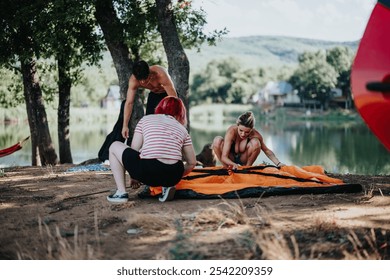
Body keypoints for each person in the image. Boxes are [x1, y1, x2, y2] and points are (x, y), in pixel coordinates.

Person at [107, 96, 197, 203]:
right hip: (174, 174)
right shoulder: (183, 130)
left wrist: (134, 176)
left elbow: (134, 150)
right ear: (180, 113)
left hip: (148, 170)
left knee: (114, 145)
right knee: (172, 163)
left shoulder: (146, 119)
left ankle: (121, 193)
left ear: (159, 108)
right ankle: (167, 185)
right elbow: (192, 163)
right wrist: (173, 175)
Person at [98, 60, 177, 162]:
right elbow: (129, 103)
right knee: (149, 124)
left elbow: (173, 98)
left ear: (150, 73)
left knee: (167, 124)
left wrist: (174, 118)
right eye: (141, 81)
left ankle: (169, 154)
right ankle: (149, 154)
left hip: (167, 95)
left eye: (145, 79)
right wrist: (125, 125)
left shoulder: (160, 74)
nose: (143, 83)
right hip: (153, 96)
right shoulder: (134, 80)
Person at [212, 111, 285, 169]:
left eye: (247, 132)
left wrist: (278, 163)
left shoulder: (256, 134)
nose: (243, 134)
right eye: (241, 130)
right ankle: (226, 168)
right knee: (217, 140)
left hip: (244, 160)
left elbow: (267, 151)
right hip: (230, 159)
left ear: (252, 129)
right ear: (237, 125)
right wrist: (233, 164)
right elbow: (224, 157)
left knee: (256, 143)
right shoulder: (231, 131)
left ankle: (247, 169)